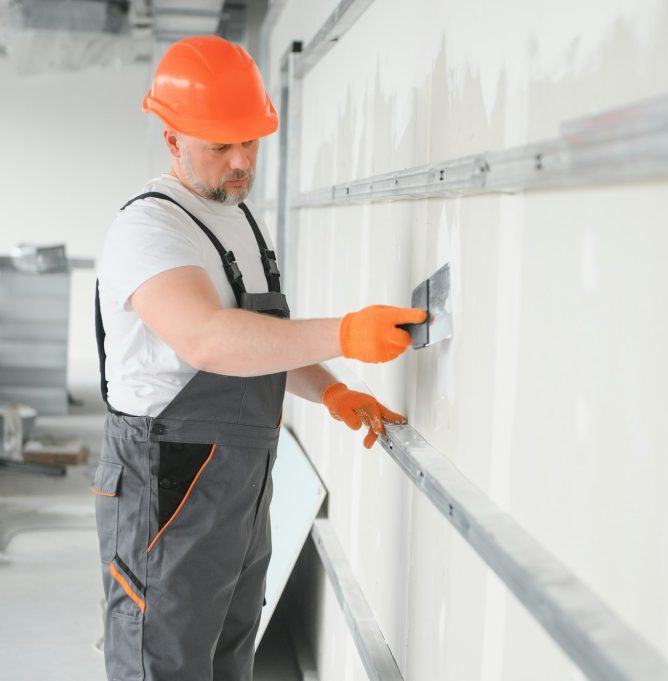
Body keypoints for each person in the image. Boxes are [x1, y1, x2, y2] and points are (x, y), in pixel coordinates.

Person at [91, 35, 425, 681]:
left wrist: (330, 390)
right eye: (221, 145)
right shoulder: (149, 229)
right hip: (167, 485)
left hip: (236, 486)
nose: (242, 160)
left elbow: (259, 340)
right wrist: (346, 331)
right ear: (172, 139)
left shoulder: (236, 215)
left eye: (251, 140)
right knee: (163, 661)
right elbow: (210, 339)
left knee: (228, 658)